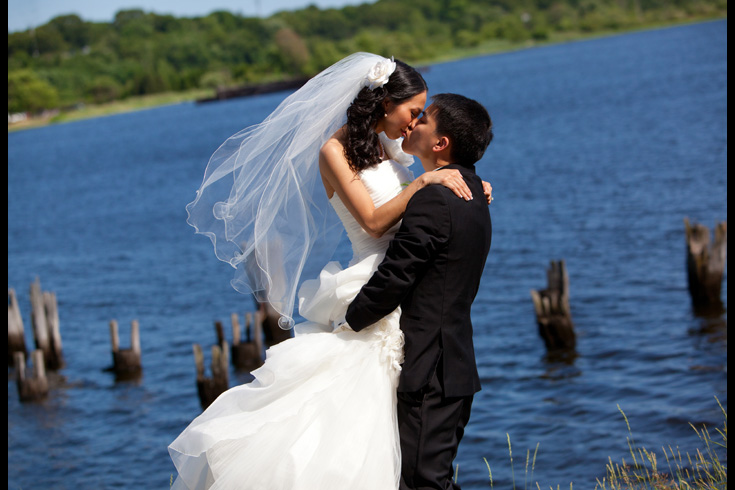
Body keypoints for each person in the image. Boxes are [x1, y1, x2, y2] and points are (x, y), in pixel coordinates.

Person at [169, 53, 492, 489]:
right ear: (383, 102)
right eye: (412, 112)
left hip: (408, 289)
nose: (414, 123)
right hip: (377, 280)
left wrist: (465, 181)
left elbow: (433, 202)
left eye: (421, 116)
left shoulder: (394, 147)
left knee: (409, 443)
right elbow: (375, 222)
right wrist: (423, 183)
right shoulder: (334, 152)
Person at [345, 93, 494, 490]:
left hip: (433, 370)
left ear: (440, 143)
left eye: (424, 119)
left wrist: (348, 323)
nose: (413, 124)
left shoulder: (434, 198)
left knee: (422, 482)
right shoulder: (475, 189)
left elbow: (396, 275)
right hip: (451, 365)